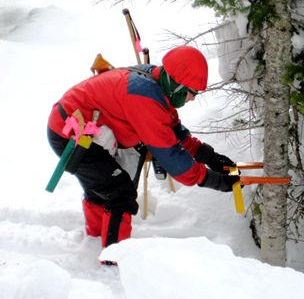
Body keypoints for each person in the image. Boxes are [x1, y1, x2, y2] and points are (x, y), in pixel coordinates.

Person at [47, 45, 240, 251]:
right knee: (119, 192)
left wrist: (209, 156)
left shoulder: (155, 81)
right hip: (70, 134)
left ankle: (95, 239)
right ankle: (115, 257)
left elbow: (173, 130)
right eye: (192, 93)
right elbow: (171, 156)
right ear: (178, 86)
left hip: (86, 130)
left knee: (104, 185)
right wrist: (212, 180)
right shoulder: (144, 97)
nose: (193, 98)